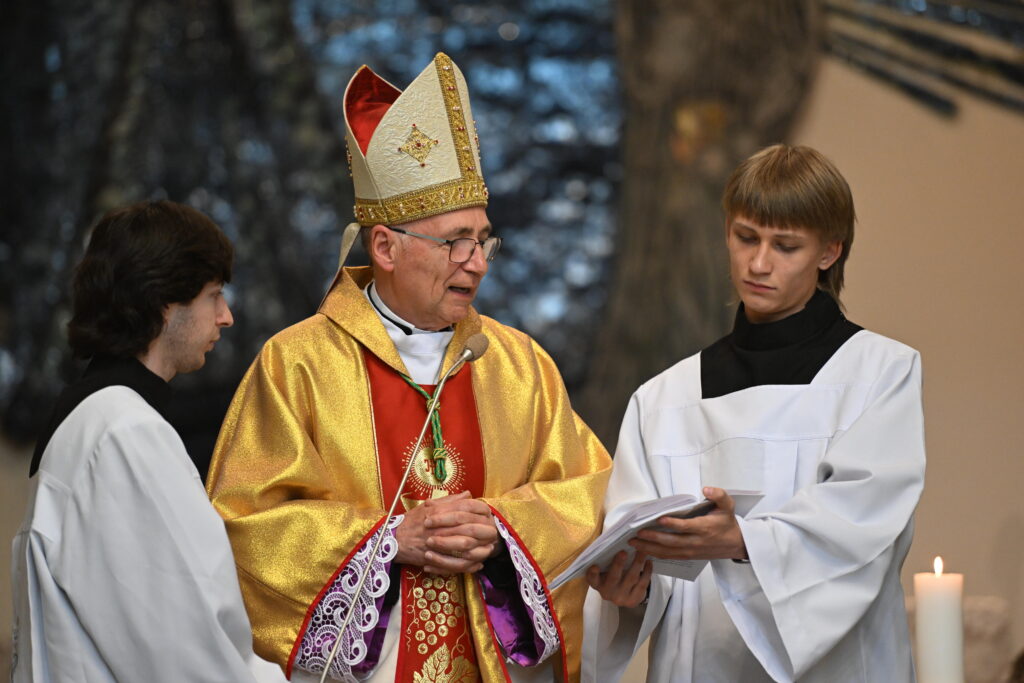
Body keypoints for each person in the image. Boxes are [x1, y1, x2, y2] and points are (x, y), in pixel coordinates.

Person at [206, 53, 611, 683]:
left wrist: (502, 530)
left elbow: (590, 495)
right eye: (455, 242)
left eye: (484, 239)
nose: (477, 262)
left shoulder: (517, 364)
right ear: (385, 247)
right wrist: (391, 541)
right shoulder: (298, 364)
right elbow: (244, 526)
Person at [583, 145, 926, 682]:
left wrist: (743, 542)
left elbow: (862, 525)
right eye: (746, 237)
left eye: (785, 246)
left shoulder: (880, 373)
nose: (758, 264)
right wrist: (632, 588)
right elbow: (642, 556)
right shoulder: (664, 399)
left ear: (829, 252)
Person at [10, 200, 284, 683]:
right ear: (164, 303)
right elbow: (184, 647)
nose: (226, 317)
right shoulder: (123, 433)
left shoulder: (94, 418)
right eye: (213, 295)